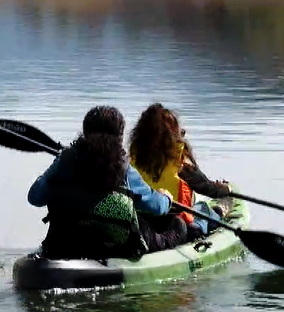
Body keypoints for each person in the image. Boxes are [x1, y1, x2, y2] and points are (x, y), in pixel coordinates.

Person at [27, 105, 193, 256]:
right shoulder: (123, 168)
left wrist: (54, 170)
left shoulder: (64, 161)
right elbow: (155, 206)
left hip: (63, 244)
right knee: (178, 225)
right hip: (112, 249)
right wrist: (166, 199)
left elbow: (35, 197)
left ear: (85, 132)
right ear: (119, 137)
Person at [128, 103, 231, 241]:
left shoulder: (131, 158)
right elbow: (206, 187)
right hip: (177, 224)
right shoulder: (179, 162)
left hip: (142, 221)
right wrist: (225, 189)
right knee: (204, 209)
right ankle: (218, 213)